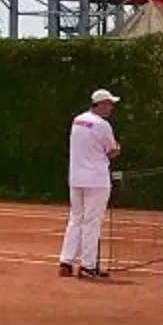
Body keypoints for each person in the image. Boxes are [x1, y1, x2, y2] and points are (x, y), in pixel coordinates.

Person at [57, 88, 121, 280]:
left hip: (76, 177)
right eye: (108, 104)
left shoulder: (77, 120)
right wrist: (118, 148)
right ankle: (88, 265)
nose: (111, 107)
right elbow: (111, 150)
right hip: (96, 179)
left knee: (75, 219)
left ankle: (66, 262)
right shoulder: (103, 125)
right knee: (92, 222)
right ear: (100, 104)